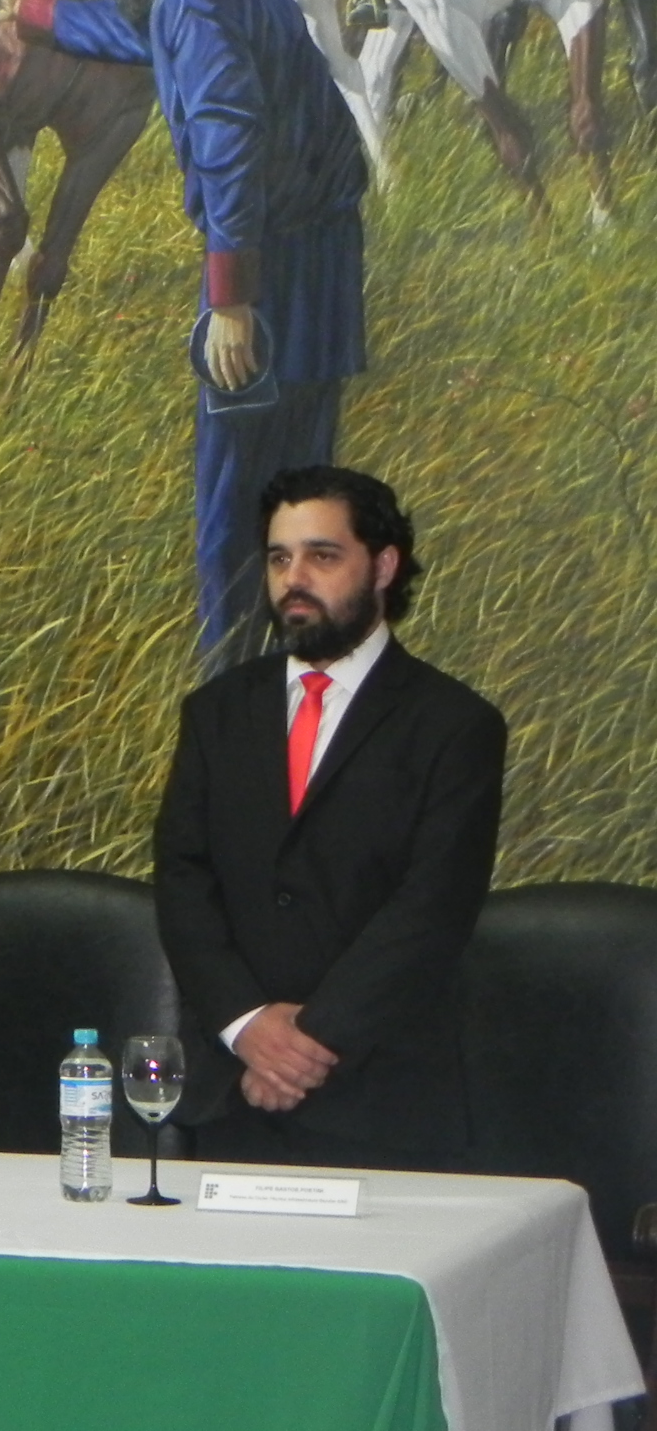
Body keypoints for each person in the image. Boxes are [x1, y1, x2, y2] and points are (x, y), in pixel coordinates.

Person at [2, 0, 367, 666]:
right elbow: (143, 31)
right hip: (321, 251)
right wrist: (33, 12)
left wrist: (231, 296)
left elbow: (227, 136)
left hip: (266, 262)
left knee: (232, 489)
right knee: (306, 481)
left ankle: (230, 675)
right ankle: (309, 662)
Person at [154, 467, 505, 1172]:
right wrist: (248, 1027)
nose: (294, 579)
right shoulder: (217, 713)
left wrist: (307, 1045)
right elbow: (183, 880)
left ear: (383, 566)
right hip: (231, 1095)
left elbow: (432, 907)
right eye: (279, 558)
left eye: (322, 555)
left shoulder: (454, 724)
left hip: (378, 1098)